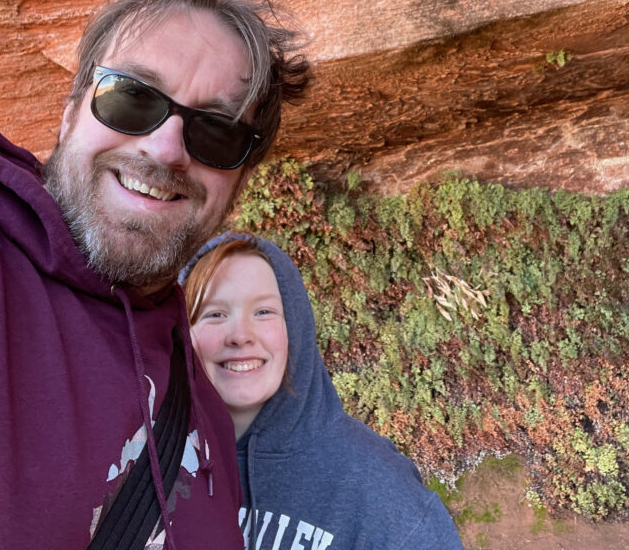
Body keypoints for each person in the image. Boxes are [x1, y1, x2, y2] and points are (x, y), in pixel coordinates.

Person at [0, 0, 310, 550]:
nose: (165, 149)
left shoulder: (203, 405)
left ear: (235, 186)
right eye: (132, 96)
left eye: (215, 133)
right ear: (70, 111)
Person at [181, 233, 465, 550]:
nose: (240, 335)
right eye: (214, 314)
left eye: (263, 312)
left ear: (296, 326)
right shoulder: (146, 459)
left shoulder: (373, 484)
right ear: (182, 333)